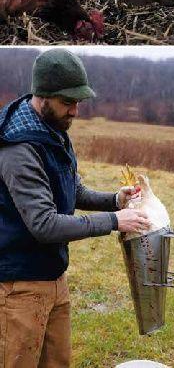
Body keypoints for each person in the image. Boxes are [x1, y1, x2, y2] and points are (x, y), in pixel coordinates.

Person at [0, 49, 151, 368]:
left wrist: (114, 199)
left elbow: (72, 188)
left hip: (54, 276)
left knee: (58, 363)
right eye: (68, 102)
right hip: (19, 285)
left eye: (79, 101)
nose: (76, 110)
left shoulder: (52, 129)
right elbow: (44, 225)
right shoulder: (18, 149)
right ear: (43, 96)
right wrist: (113, 220)